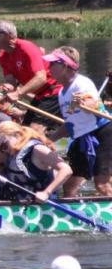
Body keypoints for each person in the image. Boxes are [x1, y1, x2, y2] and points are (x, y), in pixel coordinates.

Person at [43, 47, 112, 197]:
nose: (49, 68)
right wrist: (48, 140)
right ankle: (69, 217)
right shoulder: (62, 93)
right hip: (82, 138)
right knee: (69, 187)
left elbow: (95, 107)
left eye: (52, 64)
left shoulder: (82, 83)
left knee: (102, 184)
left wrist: (85, 103)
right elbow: (69, 125)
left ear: (65, 66)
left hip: (102, 134)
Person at [0, 20, 62, 131]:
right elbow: (11, 83)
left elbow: (41, 78)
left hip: (53, 91)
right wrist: (5, 89)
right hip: (39, 95)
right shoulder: (2, 57)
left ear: (6, 35)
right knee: (24, 132)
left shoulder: (26, 48)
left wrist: (18, 93)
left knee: (33, 131)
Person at [0, 121, 72, 202]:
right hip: (17, 202)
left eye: (4, 146)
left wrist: (46, 193)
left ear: (17, 135)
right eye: (1, 148)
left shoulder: (37, 150)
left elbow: (66, 170)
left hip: (38, 206)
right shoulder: (11, 153)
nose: (4, 151)